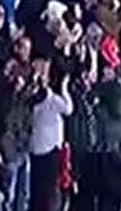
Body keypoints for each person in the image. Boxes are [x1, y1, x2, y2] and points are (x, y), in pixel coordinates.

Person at [28, 64, 73, 211]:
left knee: (39, 192)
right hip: (48, 150)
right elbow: (68, 108)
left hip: (40, 148)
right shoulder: (51, 99)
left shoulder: (42, 99)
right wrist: (64, 88)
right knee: (47, 193)